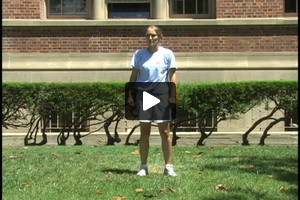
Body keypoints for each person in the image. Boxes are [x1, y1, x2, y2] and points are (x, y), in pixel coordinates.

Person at [127, 25, 178, 177]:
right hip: (144, 95)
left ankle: (168, 166)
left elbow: (173, 76)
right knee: (145, 132)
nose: (150, 38)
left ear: (159, 37)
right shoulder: (139, 54)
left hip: (162, 94)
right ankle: (143, 166)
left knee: (165, 131)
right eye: (148, 35)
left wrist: (172, 95)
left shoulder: (167, 54)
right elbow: (134, 75)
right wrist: (130, 93)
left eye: (154, 35)